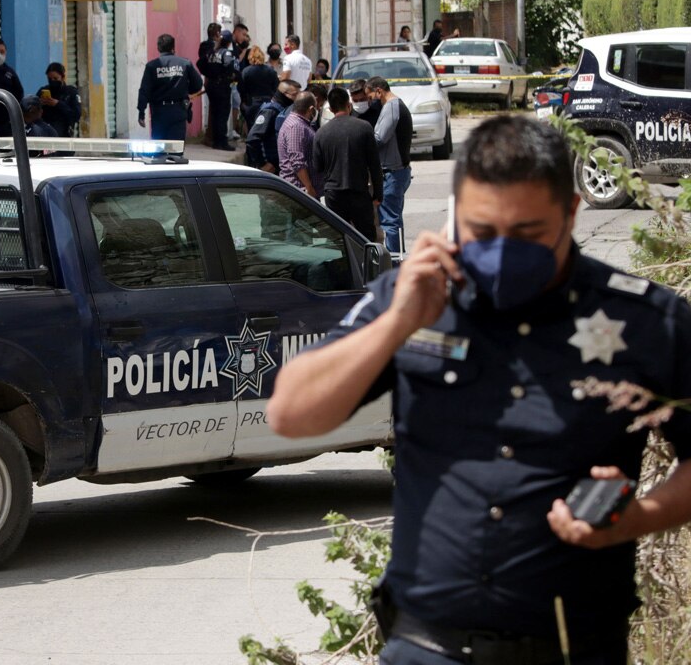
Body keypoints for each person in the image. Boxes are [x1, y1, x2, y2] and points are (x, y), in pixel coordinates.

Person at [268, 113, 691, 665]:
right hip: (426, 648)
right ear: (455, 218)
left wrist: (641, 517)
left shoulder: (645, 320)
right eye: (482, 232)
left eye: (528, 234)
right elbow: (291, 414)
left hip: (571, 649)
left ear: (571, 211)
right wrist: (398, 322)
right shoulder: (415, 295)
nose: (500, 251)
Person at [311, 87, 381, 241]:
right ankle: (367, 265)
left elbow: (317, 167)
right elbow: (374, 164)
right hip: (359, 192)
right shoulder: (364, 128)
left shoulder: (321, 133)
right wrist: (378, 194)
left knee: (338, 238)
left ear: (330, 108)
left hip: (334, 195)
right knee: (367, 238)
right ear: (349, 105)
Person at [368, 76, 412, 254]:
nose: (370, 102)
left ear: (379, 91)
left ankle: (394, 265)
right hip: (395, 171)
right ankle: (398, 261)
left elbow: (379, 138)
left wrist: (362, 140)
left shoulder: (392, 107)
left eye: (370, 96)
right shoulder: (392, 106)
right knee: (394, 220)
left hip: (392, 173)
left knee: (390, 223)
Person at [137, 33, 204, 141]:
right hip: (178, 111)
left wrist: (141, 113)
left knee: (159, 150)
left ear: (158, 48)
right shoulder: (185, 64)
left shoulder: (152, 66)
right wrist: (186, 91)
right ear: (173, 48)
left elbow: (144, 91)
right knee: (176, 150)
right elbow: (198, 84)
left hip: (159, 113)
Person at [245, 80, 299, 173]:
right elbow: (252, 139)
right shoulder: (270, 111)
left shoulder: (283, 109)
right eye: (295, 95)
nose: (298, 99)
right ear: (284, 94)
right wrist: (262, 164)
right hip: (270, 169)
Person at [277, 91, 321, 198]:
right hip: (300, 191)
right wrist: (309, 187)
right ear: (311, 109)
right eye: (316, 108)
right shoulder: (296, 127)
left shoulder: (301, 124)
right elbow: (297, 161)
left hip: (302, 190)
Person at [203, 30, 239, 151]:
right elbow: (229, 66)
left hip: (211, 85)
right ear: (229, 42)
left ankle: (215, 141)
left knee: (215, 113)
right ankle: (222, 142)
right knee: (223, 114)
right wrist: (232, 75)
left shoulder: (213, 52)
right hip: (222, 86)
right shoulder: (226, 53)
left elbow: (204, 65)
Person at [238, 46, 279, 132]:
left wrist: (244, 102)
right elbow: (276, 88)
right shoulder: (271, 71)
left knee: (252, 130)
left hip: (251, 103)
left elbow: (241, 88)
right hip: (267, 103)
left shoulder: (246, 71)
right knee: (266, 129)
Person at [36, 63, 81, 138]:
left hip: (64, 135)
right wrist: (40, 103)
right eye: (50, 79)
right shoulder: (43, 91)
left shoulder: (71, 92)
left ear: (62, 77)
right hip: (45, 134)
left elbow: (76, 115)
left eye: (55, 78)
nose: (53, 81)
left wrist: (58, 104)